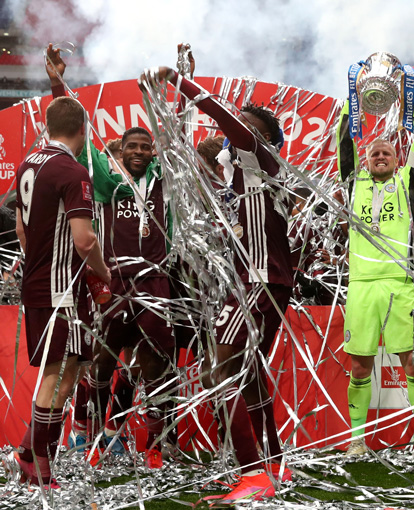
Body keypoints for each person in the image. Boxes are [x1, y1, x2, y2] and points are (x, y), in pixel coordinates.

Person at [142, 65, 294, 502]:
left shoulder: (258, 155)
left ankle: (253, 473)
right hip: (261, 279)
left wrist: (179, 82)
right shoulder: (246, 178)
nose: (236, 132)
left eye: (248, 127)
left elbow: (221, 116)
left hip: (259, 282)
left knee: (218, 369)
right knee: (248, 377)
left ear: (262, 139)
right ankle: (272, 463)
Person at [46, 45, 175, 470]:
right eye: (132, 147)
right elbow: (75, 136)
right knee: (101, 360)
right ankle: (95, 433)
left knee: (156, 362)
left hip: (155, 282)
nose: (139, 152)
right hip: (115, 281)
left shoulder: (165, 183)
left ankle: (154, 445)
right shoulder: (106, 181)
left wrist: (176, 83)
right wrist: (57, 85)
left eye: (146, 147)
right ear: (120, 152)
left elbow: (176, 138)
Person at [9, 93, 110, 489]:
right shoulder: (71, 172)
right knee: (57, 374)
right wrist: (105, 273)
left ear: (47, 126)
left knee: (71, 370)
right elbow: (85, 241)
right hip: (60, 290)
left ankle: (28, 449)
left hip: (43, 283)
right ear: (83, 130)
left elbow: (20, 229)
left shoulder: (28, 162)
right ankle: (37, 464)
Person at [336, 92, 414, 456]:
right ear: (365, 160)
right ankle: (356, 440)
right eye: (374, 153)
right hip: (361, 286)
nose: (379, 156)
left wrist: (413, 97)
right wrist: (353, 96)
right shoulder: (353, 184)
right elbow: (344, 138)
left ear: (397, 160)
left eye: (387, 153)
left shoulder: (408, 184)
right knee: (360, 367)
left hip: (399, 284)